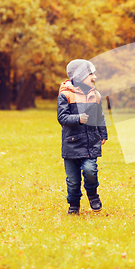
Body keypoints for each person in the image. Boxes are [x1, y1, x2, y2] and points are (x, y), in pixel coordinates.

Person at [57, 59, 108, 215]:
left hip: (90, 143)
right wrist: (78, 118)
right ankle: (73, 204)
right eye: (91, 73)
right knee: (72, 181)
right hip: (71, 144)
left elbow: (100, 116)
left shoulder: (96, 95)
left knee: (90, 170)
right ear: (81, 75)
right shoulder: (66, 95)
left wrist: (103, 133)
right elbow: (62, 117)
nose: (94, 77)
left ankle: (93, 195)